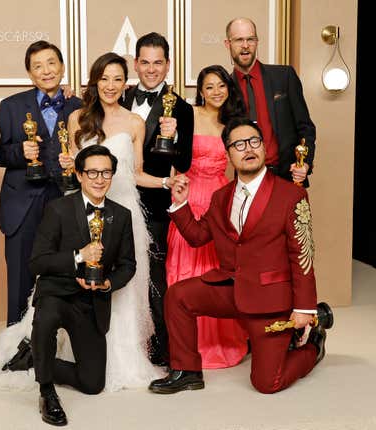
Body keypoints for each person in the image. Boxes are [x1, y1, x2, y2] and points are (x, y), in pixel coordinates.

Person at [149, 116, 332, 395]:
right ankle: (187, 371)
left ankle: (313, 345)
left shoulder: (290, 196)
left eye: (254, 141)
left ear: (264, 147)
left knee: (267, 383)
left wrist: (304, 308)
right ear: (229, 154)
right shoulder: (221, 196)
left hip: (270, 299)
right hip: (231, 289)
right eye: (239, 144)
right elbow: (198, 236)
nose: (248, 148)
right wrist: (181, 203)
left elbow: (302, 255)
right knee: (178, 295)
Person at [63, 52, 170, 391]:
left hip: (125, 214)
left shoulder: (135, 122)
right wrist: (66, 163)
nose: (110, 86)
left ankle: (124, 359)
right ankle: (85, 354)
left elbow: (137, 174)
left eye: (117, 79)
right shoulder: (77, 118)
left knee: (123, 290)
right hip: (85, 213)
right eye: (104, 78)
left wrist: (167, 182)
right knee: (84, 283)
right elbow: (73, 172)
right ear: (95, 81)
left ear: (126, 83)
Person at [29, 144, 136, 426]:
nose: (99, 179)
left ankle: (34, 357)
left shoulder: (121, 215)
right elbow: (37, 262)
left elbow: (128, 265)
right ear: (78, 175)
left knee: (92, 384)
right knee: (45, 320)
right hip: (57, 293)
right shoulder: (58, 209)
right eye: (92, 172)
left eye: (106, 172)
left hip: (91, 302)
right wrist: (78, 256)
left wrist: (108, 284)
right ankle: (46, 390)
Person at [165, 65, 249, 369]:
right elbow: (174, 155)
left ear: (229, 89)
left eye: (221, 86)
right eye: (209, 86)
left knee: (217, 267)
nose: (216, 92)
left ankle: (219, 343)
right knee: (186, 266)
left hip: (220, 196)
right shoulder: (188, 114)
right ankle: (188, 345)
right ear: (200, 90)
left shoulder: (234, 124)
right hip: (189, 192)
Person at [120, 32, 194, 366]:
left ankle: (161, 348)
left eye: (158, 63)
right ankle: (120, 348)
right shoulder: (117, 96)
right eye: (145, 62)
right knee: (116, 274)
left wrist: (173, 135)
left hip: (154, 206)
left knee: (154, 278)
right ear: (135, 63)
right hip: (117, 200)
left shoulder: (181, 107)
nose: (151, 70)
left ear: (168, 65)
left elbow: (187, 160)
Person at [0, 41, 82, 326]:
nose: (46, 71)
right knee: (20, 278)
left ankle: (57, 347)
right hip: (22, 202)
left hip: (65, 199)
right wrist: (21, 152)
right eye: (38, 66)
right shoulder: (10, 106)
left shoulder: (78, 105)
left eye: (51, 63)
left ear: (62, 67)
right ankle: (15, 350)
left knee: (64, 275)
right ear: (30, 74)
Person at [225, 17, 316, 186]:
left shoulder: (284, 76)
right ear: (228, 44)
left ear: (257, 42)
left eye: (250, 39)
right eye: (239, 40)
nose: (245, 45)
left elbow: (306, 127)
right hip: (246, 181)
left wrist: (305, 163)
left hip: (287, 178)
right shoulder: (225, 89)